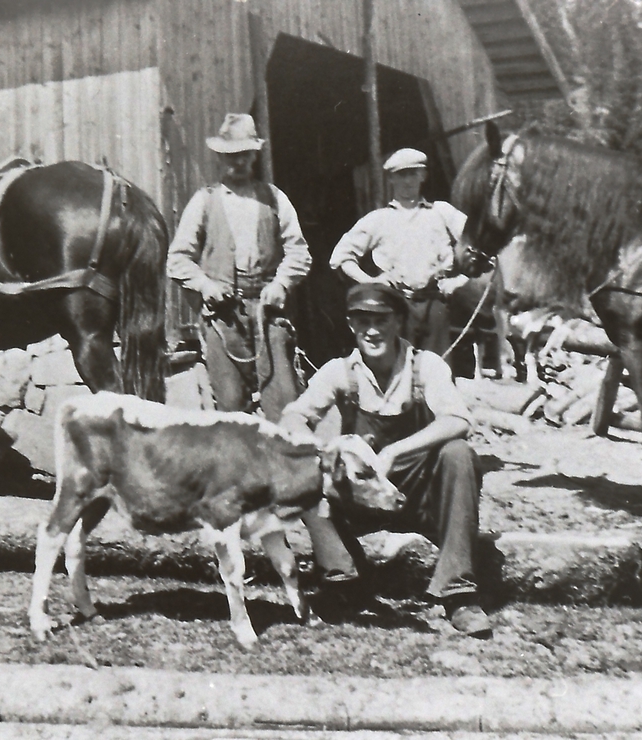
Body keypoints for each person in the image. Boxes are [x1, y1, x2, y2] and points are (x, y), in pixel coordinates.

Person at [279, 283, 491, 638]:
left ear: (399, 323)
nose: (372, 330)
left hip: (417, 493)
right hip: (362, 498)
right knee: (303, 469)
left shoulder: (426, 366)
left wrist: (394, 451)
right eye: (362, 321)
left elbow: (458, 421)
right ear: (350, 324)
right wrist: (327, 449)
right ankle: (345, 580)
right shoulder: (340, 371)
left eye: (381, 319)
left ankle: (459, 594)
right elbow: (292, 417)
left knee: (459, 454)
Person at [167, 113, 312, 420]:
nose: (238, 162)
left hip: (268, 313)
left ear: (254, 155)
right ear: (220, 157)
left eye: (244, 154)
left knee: (283, 402)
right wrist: (205, 285)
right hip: (223, 318)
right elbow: (177, 260)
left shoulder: (274, 198)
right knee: (231, 407)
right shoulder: (204, 201)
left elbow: (299, 253)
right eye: (231, 156)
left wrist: (281, 284)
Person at [330, 148, 469, 356]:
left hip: (435, 303)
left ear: (423, 176)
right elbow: (341, 257)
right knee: (398, 368)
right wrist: (370, 281)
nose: (407, 181)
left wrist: (460, 280)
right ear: (391, 180)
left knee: (438, 370)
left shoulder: (441, 212)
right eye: (401, 175)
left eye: (413, 174)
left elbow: (480, 243)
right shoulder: (378, 219)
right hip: (396, 306)